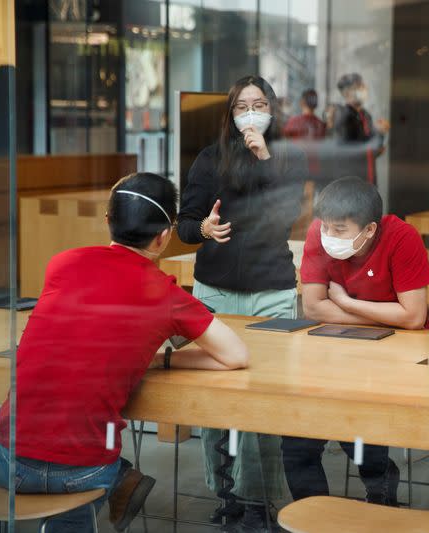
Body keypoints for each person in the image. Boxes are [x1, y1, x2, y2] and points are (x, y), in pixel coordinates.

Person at [0, 173, 249, 533]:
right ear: (165, 236)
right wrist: (163, 358)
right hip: (87, 469)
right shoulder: (166, 295)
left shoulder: (62, 264)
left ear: (108, 221)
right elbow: (236, 355)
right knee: (78, 468)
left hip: (10, 462)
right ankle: (102, 494)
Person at [176, 75, 307, 531]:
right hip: (216, 290)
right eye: (242, 106)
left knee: (263, 401)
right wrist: (204, 231)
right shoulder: (210, 159)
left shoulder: (289, 158)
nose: (251, 113)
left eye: (259, 104)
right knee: (215, 399)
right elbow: (185, 224)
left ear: (273, 109)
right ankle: (225, 490)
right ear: (230, 115)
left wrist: (264, 157)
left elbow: (287, 212)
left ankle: (258, 499)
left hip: (270, 290)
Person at [280, 176, 429, 505]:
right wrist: (384, 314)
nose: (328, 237)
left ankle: (380, 495)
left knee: (360, 431)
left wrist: (346, 304)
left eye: (339, 231)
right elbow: (313, 307)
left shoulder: (402, 237)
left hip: (396, 355)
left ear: (370, 230)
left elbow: (413, 318)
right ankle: (314, 518)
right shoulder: (318, 234)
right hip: (332, 348)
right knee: (296, 444)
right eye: (325, 228)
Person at [332, 73, 390, 185]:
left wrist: (381, 135)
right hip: (351, 183)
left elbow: (373, 150)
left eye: (363, 85)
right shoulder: (343, 116)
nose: (364, 89)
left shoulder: (366, 115)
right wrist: (377, 133)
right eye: (359, 86)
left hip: (369, 180)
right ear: (347, 92)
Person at [283, 89, 327, 190]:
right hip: (316, 168)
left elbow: (284, 144)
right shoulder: (321, 124)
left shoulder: (293, 122)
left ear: (302, 102)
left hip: (295, 169)